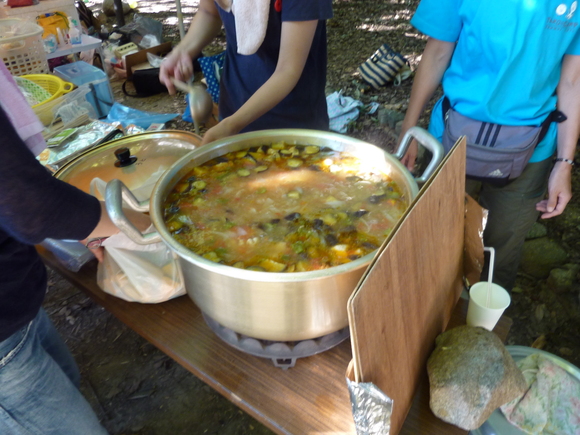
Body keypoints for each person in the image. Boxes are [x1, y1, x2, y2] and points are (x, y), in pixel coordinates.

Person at [0, 63, 147, 434]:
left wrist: (80, 223)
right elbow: (33, 208)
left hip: (16, 303)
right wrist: (149, 225)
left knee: (65, 377)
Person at [398, 0, 580, 291]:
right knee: (434, 232)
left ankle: (487, 328)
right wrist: (410, 131)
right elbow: (437, 53)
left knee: (503, 250)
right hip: (451, 138)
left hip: (531, 149)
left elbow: (572, 80)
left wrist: (564, 163)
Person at [159, 0, 333, 145]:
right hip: (235, 106)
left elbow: (288, 70)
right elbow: (208, 11)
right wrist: (182, 51)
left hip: (293, 122)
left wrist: (232, 125)